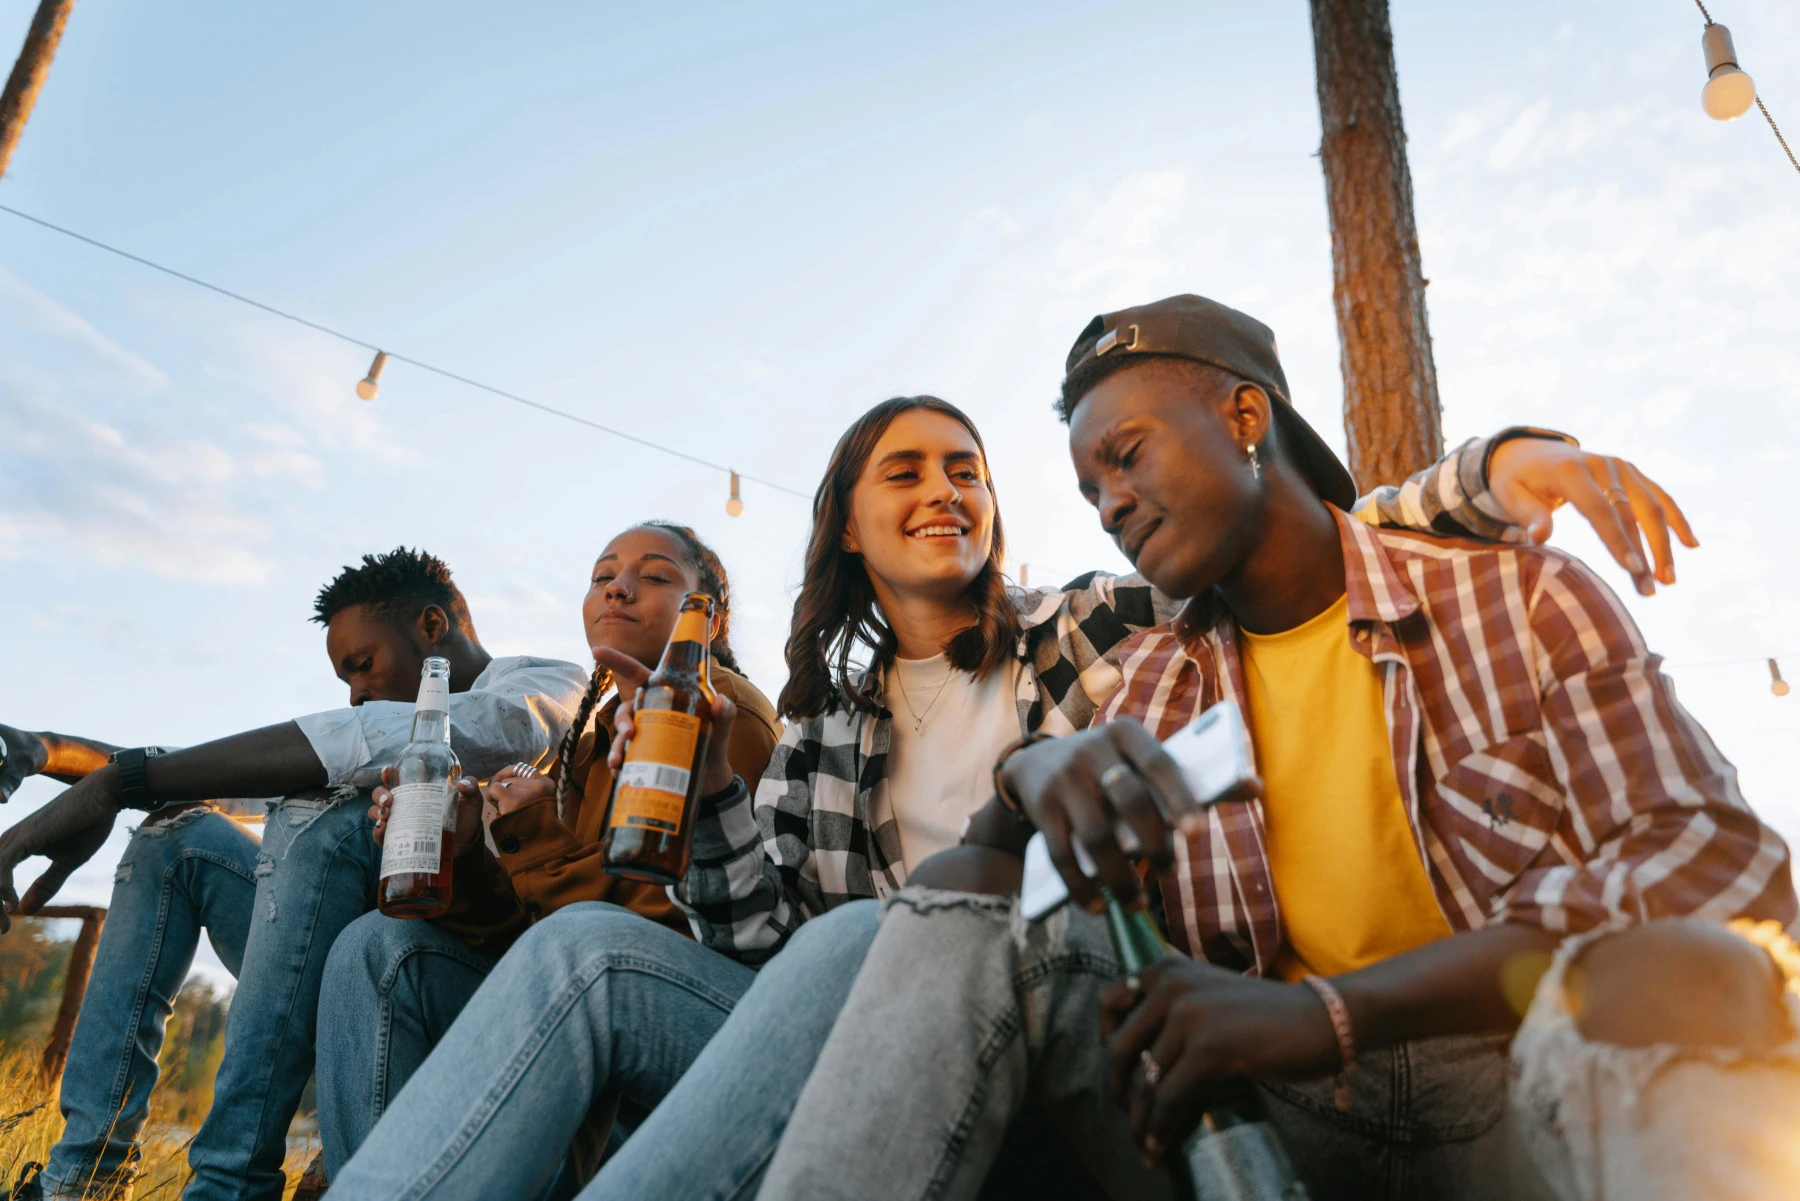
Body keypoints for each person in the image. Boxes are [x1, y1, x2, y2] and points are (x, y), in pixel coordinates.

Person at [331, 389, 1690, 1201]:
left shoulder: (1106, 623)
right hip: (843, 1034)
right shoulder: (814, 734)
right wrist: (684, 820)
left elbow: (1297, 541)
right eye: (905, 472)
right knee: (579, 951)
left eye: (967, 466)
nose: (945, 488)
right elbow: (752, 956)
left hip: (1061, 994)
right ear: (849, 530)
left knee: (890, 928)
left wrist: (1493, 470)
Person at [753, 295, 1800, 1201]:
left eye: (1127, 456)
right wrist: (1017, 793)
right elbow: (995, 923)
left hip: (1515, 1093)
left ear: (1244, 416)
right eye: (1088, 491)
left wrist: (1328, 1013)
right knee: (959, 928)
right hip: (1284, 1127)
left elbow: (1718, 869)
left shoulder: (1518, 599)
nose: (1111, 502)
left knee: (1687, 964)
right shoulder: (1155, 689)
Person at [0, 548, 589, 1201]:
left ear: (429, 627)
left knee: (318, 813)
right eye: (345, 679)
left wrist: (121, 781)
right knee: (176, 833)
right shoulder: (366, 733)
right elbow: (230, 776)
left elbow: (403, 736)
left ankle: (229, 1186)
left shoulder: (545, 687)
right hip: (338, 953)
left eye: (362, 665)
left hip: (456, 985)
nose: (356, 691)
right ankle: (81, 1179)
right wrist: (56, 752)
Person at [313, 522, 782, 1180]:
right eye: (601, 576)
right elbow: (530, 935)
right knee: (376, 948)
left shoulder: (721, 712)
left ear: (708, 615)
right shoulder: (590, 743)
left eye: (654, 576)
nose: (618, 587)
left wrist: (532, 830)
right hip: (583, 986)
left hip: (687, 1013)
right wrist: (472, 847)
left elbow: (654, 922)